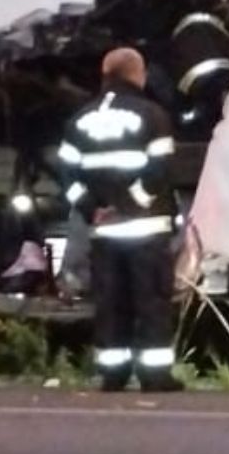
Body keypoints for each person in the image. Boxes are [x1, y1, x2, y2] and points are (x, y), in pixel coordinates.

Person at [60, 47, 183, 393]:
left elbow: (67, 176)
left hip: (104, 233)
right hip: (146, 229)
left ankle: (113, 373)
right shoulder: (153, 115)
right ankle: (154, 376)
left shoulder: (78, 121)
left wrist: (91, 209)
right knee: (151, 301)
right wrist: (132, 204)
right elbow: (160, 170)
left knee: (111, 303)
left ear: (105, 75)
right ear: (138, 75)